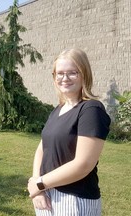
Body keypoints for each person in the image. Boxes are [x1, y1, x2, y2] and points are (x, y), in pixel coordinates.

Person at [27, 48, 111, 216]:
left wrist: (39, 184)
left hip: (74, 200)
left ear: (84, 74)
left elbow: (83, 165)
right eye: (60, 73)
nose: (64, 78)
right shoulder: (58, 109)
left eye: (72, 73)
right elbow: (42, 148)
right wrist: (37, 185)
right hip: (46, 195)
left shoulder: (91, 109)